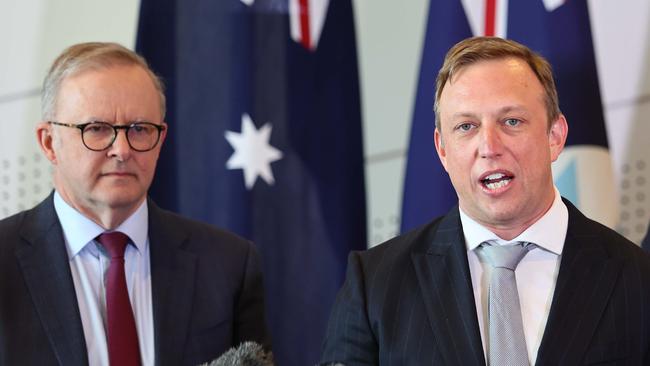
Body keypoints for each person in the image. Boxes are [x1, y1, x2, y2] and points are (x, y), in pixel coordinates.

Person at [320, 37, 650, 365]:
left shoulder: (638, 278)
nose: (489, 146)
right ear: (442, 150)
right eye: (466, 126)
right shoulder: (375, 286)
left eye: (511, 121)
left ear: (555, 136)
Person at [0, 42, 270, 366]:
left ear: (161, 140)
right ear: (49, 142)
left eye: (139, 129)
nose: (122, 150)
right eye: (97, 129)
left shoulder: (229, 265)